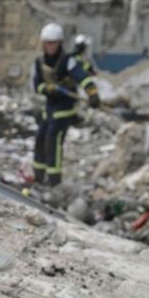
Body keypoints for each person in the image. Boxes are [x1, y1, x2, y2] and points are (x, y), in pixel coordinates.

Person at [31, 23, 99, 186]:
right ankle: (38, 176)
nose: (50, 46)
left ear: (60, 43)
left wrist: (93, 94)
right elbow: (37, 85)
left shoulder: (68, 61)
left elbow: (83, 77)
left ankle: (54, 180)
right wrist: (48, 89)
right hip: (49, 108)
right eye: (47, 43)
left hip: (64, 109)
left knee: (53, 140)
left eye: (53, 43)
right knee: (40, 139)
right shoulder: (40, 62)